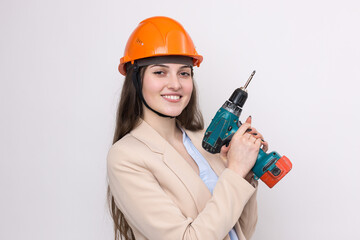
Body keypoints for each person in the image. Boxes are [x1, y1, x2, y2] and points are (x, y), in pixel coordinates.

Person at [107, 16, 268, 240]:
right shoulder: (126, 157)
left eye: (184, 73)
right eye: (160, 72)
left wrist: (246, 173)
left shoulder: (205, 142)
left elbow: (240, 232)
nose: (175, 84)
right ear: (136, 80)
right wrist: (234, 172)